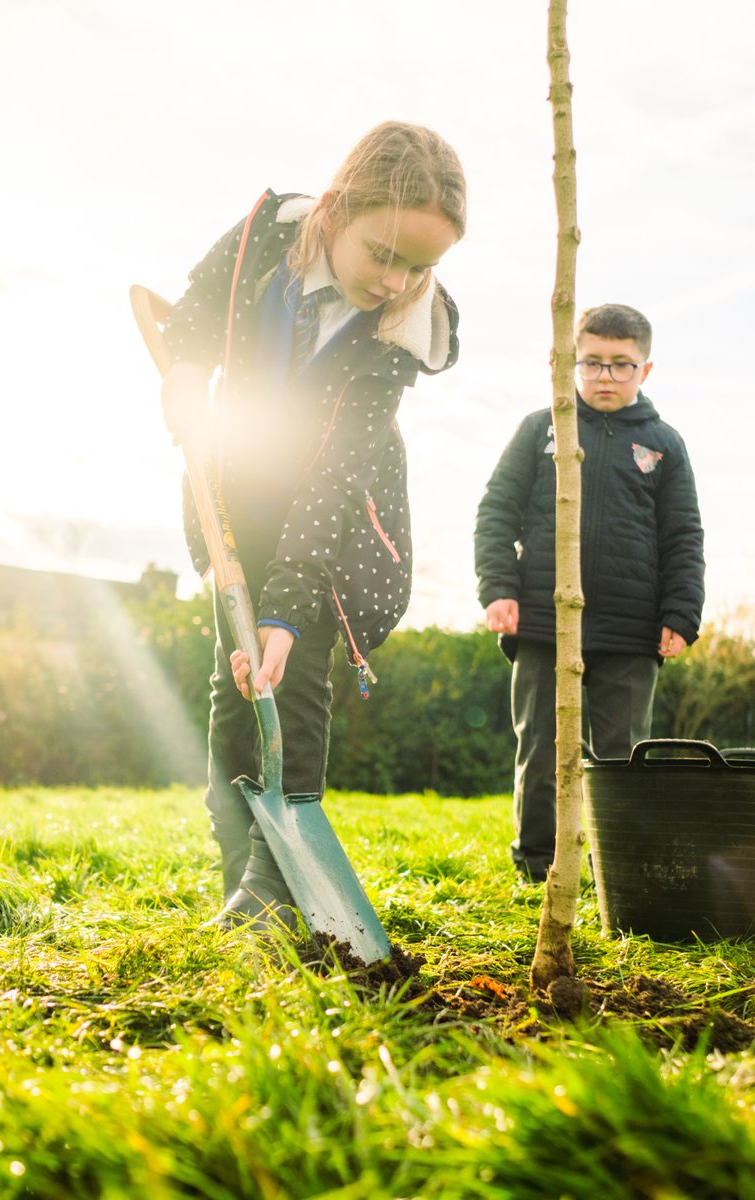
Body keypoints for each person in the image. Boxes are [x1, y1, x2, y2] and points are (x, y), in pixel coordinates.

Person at [160, 121, 466, 927]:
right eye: (386, 254)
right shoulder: (268, 234)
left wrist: (290, 608)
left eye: (422, 267)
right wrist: (187, 373)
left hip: (331, 522)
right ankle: (243, 885)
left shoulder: (397, 337)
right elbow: (191, 313)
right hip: (235, 491)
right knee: (234, 690)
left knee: (288, 679)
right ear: (333, 212)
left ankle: (278, 887)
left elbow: (337, 472)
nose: (400, 282)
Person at [474, 303, 705, 883]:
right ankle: (537, 868)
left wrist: (681, 612)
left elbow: (683, 536)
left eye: (621, 365)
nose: (606, 376)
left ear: (645, 371)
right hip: (543, 622)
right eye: (593, 362)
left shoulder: (664, 445)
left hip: (631, 630)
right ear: (568, 363)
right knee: (543, 751)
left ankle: (617, 871)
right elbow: (496, 512)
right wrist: (498, 587)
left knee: (623, 757)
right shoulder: (540, 428)